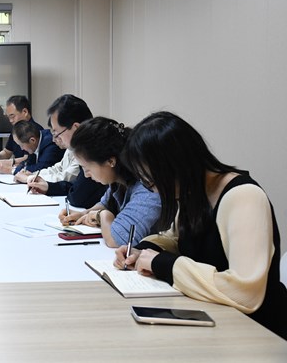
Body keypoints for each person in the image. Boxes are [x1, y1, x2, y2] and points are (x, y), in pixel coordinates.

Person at [115, 111, 287, 339]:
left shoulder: (244, 197)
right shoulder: (194, 191)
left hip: (255, 332)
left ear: (175, 166)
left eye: (151, 180)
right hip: (213, 318)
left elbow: (244, 292)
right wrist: (143, 251)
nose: (153, 189)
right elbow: (175, 238)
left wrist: (162, 264)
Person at [57, 117, 161, 248]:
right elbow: (105, 204)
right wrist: (84, 214)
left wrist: (102, 216)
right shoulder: (118, 180)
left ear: (111, 161)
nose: (86, 175)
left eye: (87, 168)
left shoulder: (146, 188)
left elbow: (118, 240)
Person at [24, 94, 106, 209]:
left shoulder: (95, 150)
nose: (55, 139)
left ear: (76, 128)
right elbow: (74, 187)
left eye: (57, 133)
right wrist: (48, 187)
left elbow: (78, 196)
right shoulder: (77, 148)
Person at [0, 95, 43, 173]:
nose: (10, 121)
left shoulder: (36, 130)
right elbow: (7, 152)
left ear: (25, 112)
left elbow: (29, 159)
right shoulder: (16, 129)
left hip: (26, 172)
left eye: (12, 116)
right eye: (8, 117)